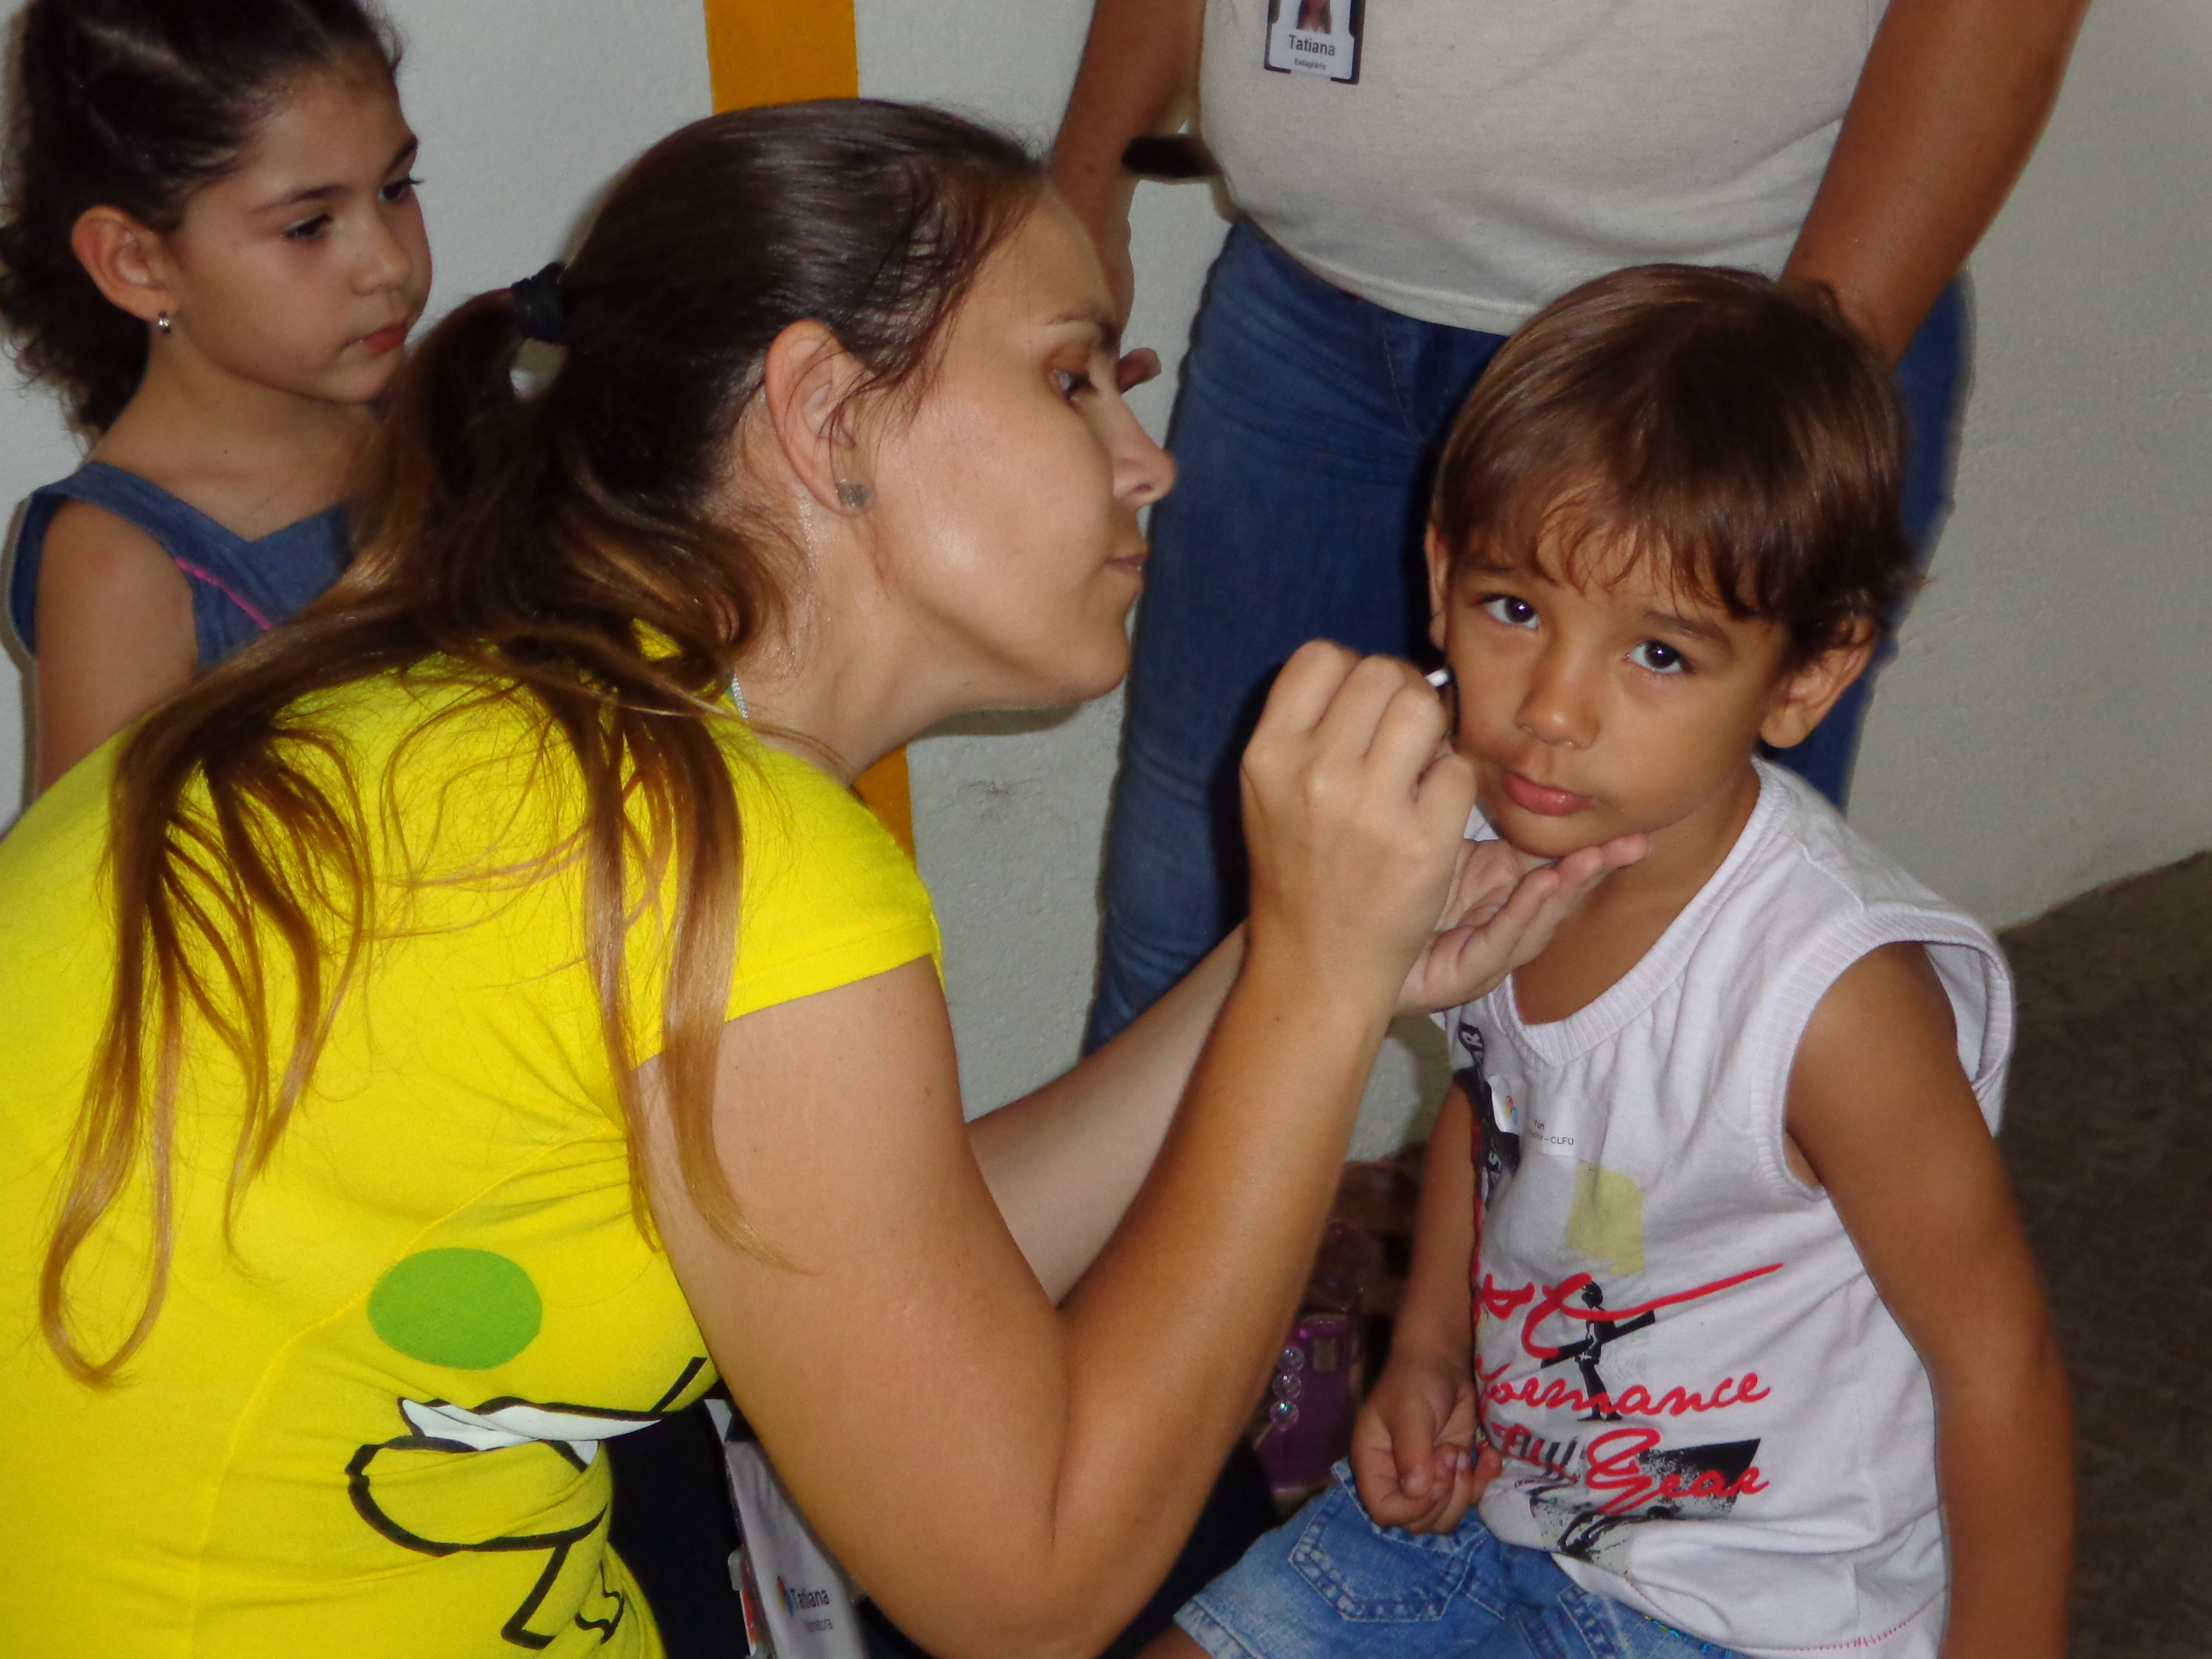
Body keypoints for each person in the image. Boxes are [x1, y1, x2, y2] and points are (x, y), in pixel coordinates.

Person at [0, 102, 1644, 1657]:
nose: (1143, 463)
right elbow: (1032, 1583)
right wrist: (1317, 993)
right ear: (822, 414)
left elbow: (872, 1266)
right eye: (1073, 380)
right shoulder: (727, 857)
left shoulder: (516, 715)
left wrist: (1289, 945)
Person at [1148, 265, 2071, 1659]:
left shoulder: (1827, 1001)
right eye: (1514, 608)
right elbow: (1497, 1110)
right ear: (1441, 572)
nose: (1552, 711)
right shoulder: (1463, 826)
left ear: (1806, 677)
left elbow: (1994, 1361)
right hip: (1501, 1512)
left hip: (1754, 1611)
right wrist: (1426, 1346)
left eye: (1656, 650)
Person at [1055, 0, 2092, 1051]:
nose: (1549, 713)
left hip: (1721, 351)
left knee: (1668, 982)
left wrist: (1778, 405)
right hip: (1309, 313)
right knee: (1201, 901)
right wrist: (1083, 190)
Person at [0, 0, 430, 793]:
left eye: (397, 187)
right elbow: (91, 898)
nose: (387, 265)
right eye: (309, 226)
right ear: (136, 262)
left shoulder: (442, 419)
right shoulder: (119, 563)